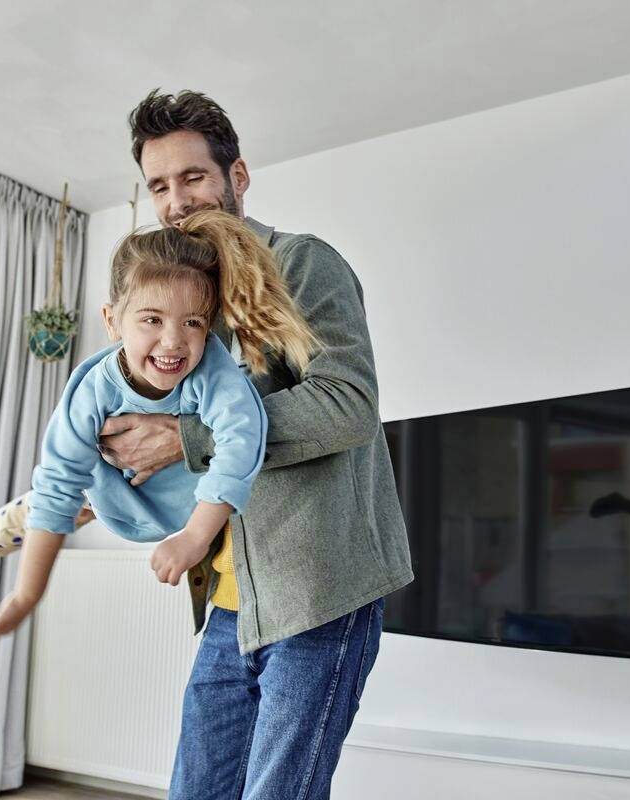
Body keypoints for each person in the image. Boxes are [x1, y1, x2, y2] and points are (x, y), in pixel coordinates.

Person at [92, 90, 414, 800]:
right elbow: (184, 452)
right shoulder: (188, 310)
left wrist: (186, 438)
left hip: (319, 596)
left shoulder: (302, 264)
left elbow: (347, 405)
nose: (177, 201)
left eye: (193, 177)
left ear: (236, 177)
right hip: (232, 605)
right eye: (159, 187)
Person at [0, 209, 317, 646]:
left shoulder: (213, 370)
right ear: (112, 321)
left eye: (192, 322)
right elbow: (58, 488)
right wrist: (23, 600)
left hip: (186, 505)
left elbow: (243, 441)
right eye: (152, 319)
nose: (173, 341)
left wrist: (194, 535)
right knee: (37, 508)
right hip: (105, 490)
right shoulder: (90, 392)